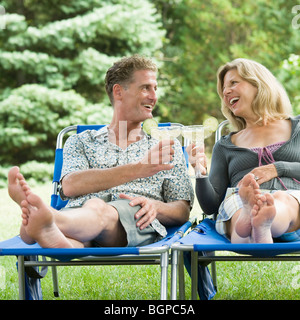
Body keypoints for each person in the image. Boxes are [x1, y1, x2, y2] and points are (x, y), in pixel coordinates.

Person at [8, 54, 194, 248]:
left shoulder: (165, 147)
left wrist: (155, 206)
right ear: (118, 92)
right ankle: (52, 233)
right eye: (145, 87)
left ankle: (47, 219)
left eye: (155, 88)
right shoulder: (81, 140)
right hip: (79, 218)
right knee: (75, 236)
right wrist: (139, 168)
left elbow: (182, 209)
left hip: (134, 218)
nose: (154, 96)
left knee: (97, 207)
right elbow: (70, 185)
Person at [187, 58, 300, 244]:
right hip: (239, 200)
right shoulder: (225, 146)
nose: (226, 92)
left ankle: (261, 221)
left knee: (282, 200)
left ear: (259, 84)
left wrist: (278, 169)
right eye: (223, 89)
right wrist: (200, 172)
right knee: (237, 205)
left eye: (233, 83)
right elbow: (210, 206)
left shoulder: (297, 128)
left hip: (291, 198)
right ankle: (255, 224)